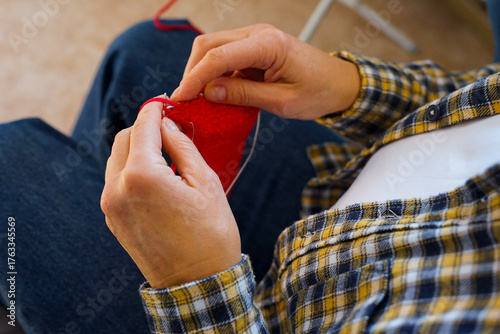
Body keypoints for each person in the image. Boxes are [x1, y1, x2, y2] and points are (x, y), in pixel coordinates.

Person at [1, 19, 499, 334]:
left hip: (258, 318)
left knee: (11, 161)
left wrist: (193, 282)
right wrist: (351, 87)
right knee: (149, 46)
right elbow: (480, 97)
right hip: (337, 204)